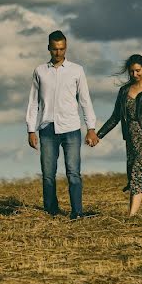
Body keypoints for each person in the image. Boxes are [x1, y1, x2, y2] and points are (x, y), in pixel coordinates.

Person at [25, 30, 98, 219]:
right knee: (48, 174)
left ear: (66, 48)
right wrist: (31, 129)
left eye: (62, 48)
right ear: (49, 48)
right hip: (47, 128)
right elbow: (33, 102)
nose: (58, 53)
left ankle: (77, 212)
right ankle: (51, 211)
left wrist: (91, 128)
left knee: (73, 173)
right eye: (55, 49)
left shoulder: (77, 70)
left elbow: (85, 100)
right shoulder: (40, 71)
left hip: (71, 128)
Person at [95, 54, 142, 216]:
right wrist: (98, 135)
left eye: (138, 71)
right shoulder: (124, 91)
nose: (135, 74)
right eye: (131, 72)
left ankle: (131, 216)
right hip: (131, 139)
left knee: (136, 172)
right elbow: (115, 117)